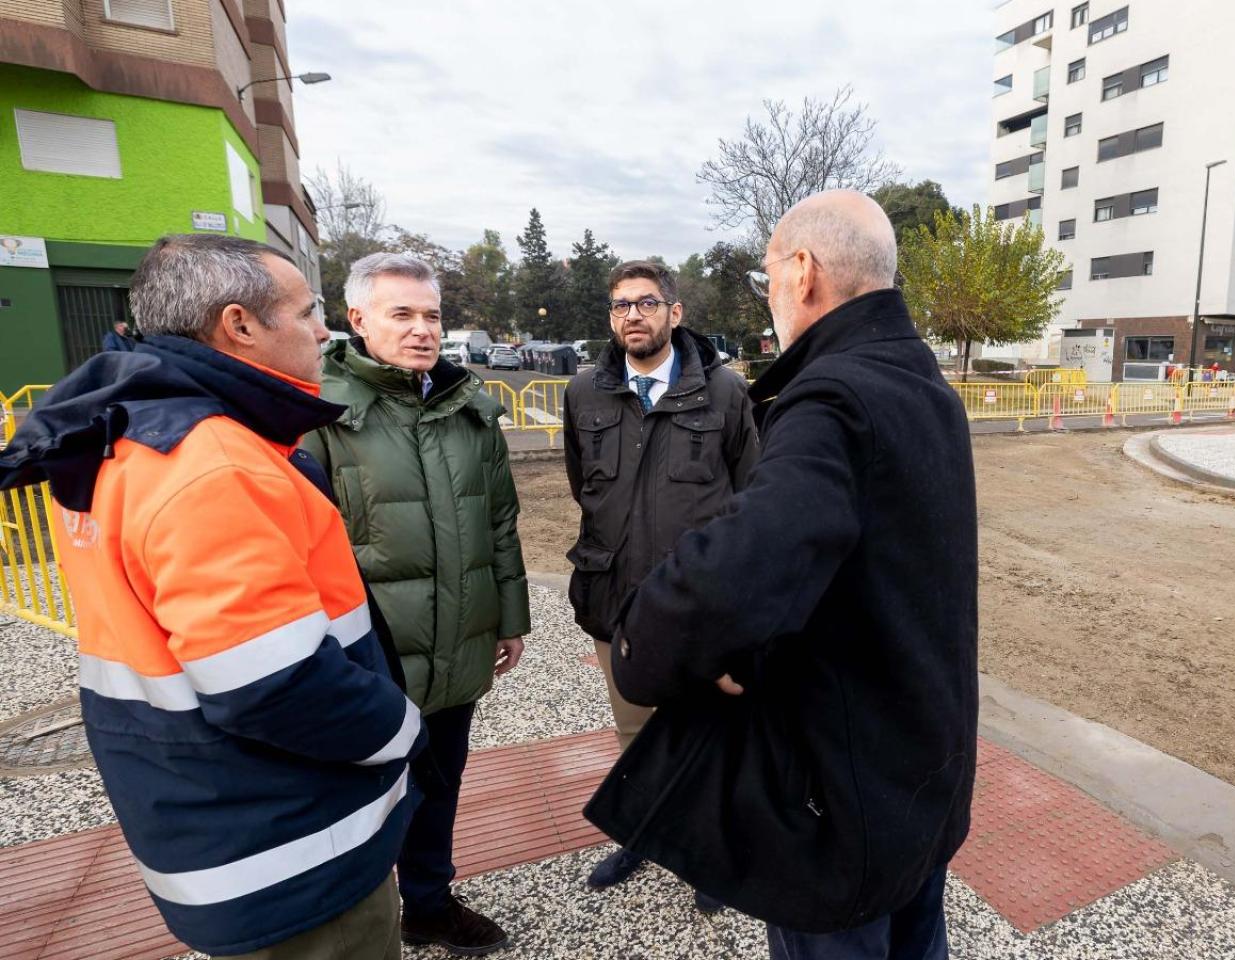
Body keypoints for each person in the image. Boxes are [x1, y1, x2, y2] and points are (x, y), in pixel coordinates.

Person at [0, 235, 424, 958]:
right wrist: (400, 729)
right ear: (239, 325)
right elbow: (271, 684)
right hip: (287, 847)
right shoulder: (212, 462)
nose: (324, 331)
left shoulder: (124, 429)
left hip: (213, 811)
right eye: (307, 311)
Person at [583, 191, 979, 960]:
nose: (769, 296)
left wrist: (643, 645)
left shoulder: (835, 395)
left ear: (802, 272)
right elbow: (856, 567)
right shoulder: (925, 386)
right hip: (924, 770)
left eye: (768, 276)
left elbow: (749, 557)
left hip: (842, 795)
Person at [299, 253, 530, 956]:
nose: (423, 329)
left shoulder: (471, 408)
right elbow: (305, 545)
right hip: (371, 659)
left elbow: (499, 522)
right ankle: (357, 926)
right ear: (358, 319)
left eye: (432, 315)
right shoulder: (321, 411)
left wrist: (510, 617)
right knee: (361, 803)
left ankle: (428, 902)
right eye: (403, 314)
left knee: (440, 786)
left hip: (458, 643)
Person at [564, 260, 759, 906]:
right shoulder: (584, 393)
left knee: (706, 736)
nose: (633, 316)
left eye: (647, 303)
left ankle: (707, 857)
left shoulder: (726, 393)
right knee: (636, 735)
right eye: (621, 306)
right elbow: (582, 486)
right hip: (614, 603)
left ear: (675, 313)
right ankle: (642, 835)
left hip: (699, 608)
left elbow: (752, 496)